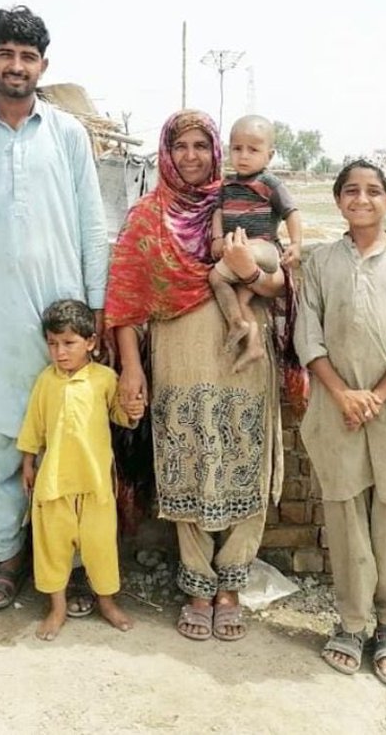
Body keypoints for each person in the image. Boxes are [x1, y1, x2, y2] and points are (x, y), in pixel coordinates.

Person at [0, 6, 109, 613]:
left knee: (71, 440)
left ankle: (75, 566)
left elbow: (91, 227)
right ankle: (8, 559)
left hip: (61, 321)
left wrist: (98, 310)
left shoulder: (67, 135)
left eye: (27, 57)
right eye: (5, 54)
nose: (15, 66)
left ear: (43, 66)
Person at [105, 109, 285, 643]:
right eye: (179, 146)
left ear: (215, 151)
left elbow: (279, 281)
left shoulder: (238, 203)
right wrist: (132, 368)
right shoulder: (146, 218)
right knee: (188, 455)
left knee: (242, 456)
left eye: (200, 146)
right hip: (179, 357)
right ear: (166, 152)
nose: (190, 156)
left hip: (242, 355)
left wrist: (251, 271)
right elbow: (125, 302)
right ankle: (198, 585)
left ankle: (232, 581)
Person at [294, 159, 386, 687]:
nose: (362, 199)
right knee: (346, 514)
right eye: (350, 191)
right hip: (337, 409)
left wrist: (376, 395)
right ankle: (352, 623)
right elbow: (307, 336)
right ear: (337, 201)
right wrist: (343, 394)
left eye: (373, 191)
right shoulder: (322, 262)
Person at [18, 299, 143, 640]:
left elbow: (121, 416)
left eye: (69, 343)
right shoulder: (46, 382)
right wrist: (28, 463)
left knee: (100, 547)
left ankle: (107, 603)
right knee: (52, 549)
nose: (60, 352)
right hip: (54, 483)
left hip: (96, 483)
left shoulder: (104, 379)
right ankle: (57, 609)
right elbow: (34, 426)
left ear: (90, 342)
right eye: (53, 344)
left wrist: (132, 409)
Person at [208, 115, 303, 373]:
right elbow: (218, 212)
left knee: (219, 272)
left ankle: (240, 325)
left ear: (269, 156)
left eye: (253, 149)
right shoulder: (226, 184)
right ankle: (247, 336)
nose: (243, 156)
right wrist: (217, 238)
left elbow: (291, 212)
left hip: (263, 248)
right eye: (237, 149)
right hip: (236, 251)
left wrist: (296, 244)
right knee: (227, 288)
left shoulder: (269, 183)